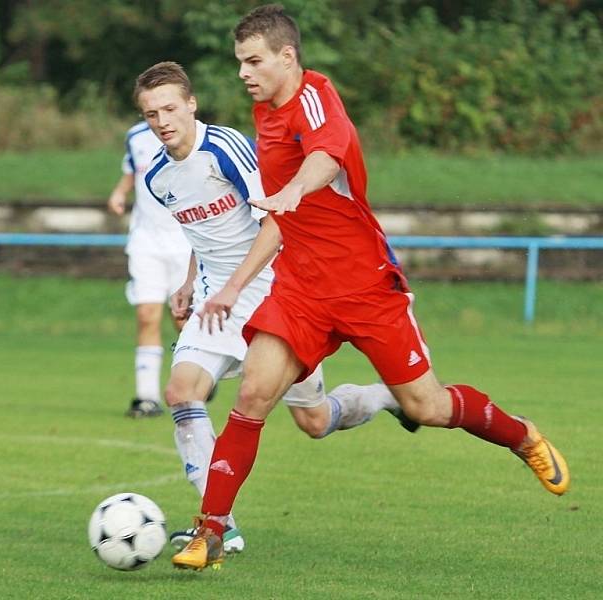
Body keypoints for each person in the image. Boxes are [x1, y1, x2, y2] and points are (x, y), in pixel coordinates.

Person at [172, 4, 570, 571]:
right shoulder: (264, 112)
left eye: (253, 60)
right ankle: (209, 532)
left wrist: (293, 191)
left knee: (427, 406)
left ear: (287, 57)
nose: (243, 72)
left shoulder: (314, 96)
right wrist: (235, 284)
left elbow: (325, 158)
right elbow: (284, 215)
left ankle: (521, 436)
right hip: (301, 290)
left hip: (363, 285)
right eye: (239, 61)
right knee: (253, 395)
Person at [133, 60, 416, 559]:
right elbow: (203, 232)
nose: (162, 121)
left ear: (191, 104)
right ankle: (218, 527)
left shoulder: (226, 148)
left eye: (170, 108)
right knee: (181, 392)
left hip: (275, 292)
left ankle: (384, 398)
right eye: (151, 113)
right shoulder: (157, 176)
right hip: (214, 301)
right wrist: (187, 283)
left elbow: (281, 217)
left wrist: (237, 285)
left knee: (315, 421)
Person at [108, 120, 192, 417]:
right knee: (146, 315)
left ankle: (197, 375)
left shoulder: (193, 132)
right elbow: (132, 171)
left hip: (185, 242)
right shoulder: (135, 135)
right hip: (146, 241)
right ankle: (147, 397)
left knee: (183, 319)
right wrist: (120, 193)